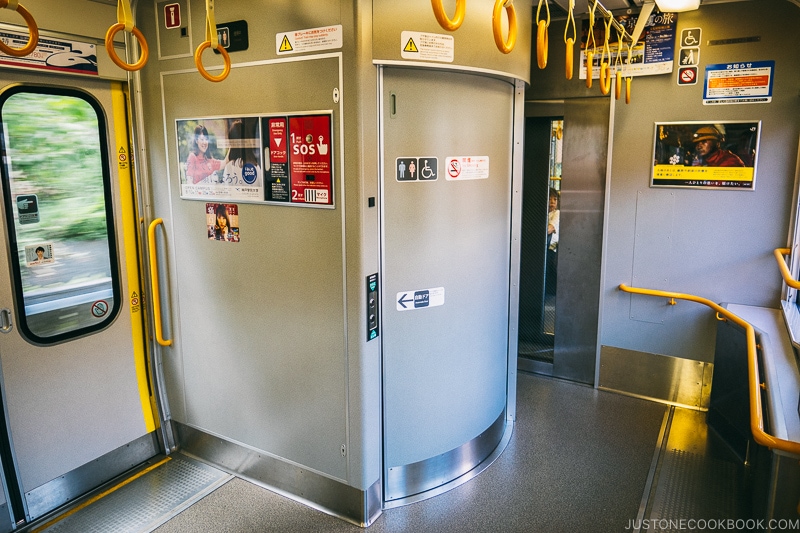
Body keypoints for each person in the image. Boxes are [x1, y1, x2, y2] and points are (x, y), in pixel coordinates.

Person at [546, 187, 560, 296]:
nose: (552, 202)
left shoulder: (557, 213)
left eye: (555, 199)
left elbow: (549, 229)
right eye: (550, 199)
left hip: (551, 249)